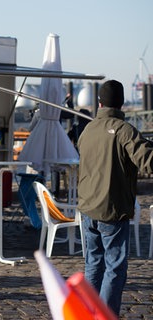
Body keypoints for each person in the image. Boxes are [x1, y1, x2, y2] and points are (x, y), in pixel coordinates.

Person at [77, 80, 153, 316]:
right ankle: (106, 314)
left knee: (93, 265)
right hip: (111, 209)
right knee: (115, 267)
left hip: (87, 208)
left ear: (99, 102)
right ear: (121, 104)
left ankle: (89, 311)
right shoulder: (124, 130)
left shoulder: (88, 129)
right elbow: (148, 163)